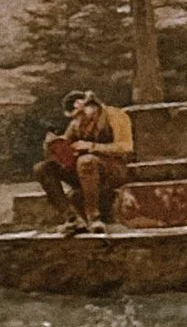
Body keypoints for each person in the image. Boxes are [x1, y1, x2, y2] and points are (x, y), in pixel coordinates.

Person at [36, 91, 131, 228]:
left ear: (92, 105)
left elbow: (126, 147)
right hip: (85, 172)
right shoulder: (77, 123)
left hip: (114, 170)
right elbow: (66, 146)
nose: (79, 119)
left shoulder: (115, 116)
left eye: (81, 113)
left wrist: (91, 146)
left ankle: (94, 218)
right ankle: (71, 217)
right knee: (42, 168)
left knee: (86, 161)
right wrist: (53, 147)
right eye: (76, 116)